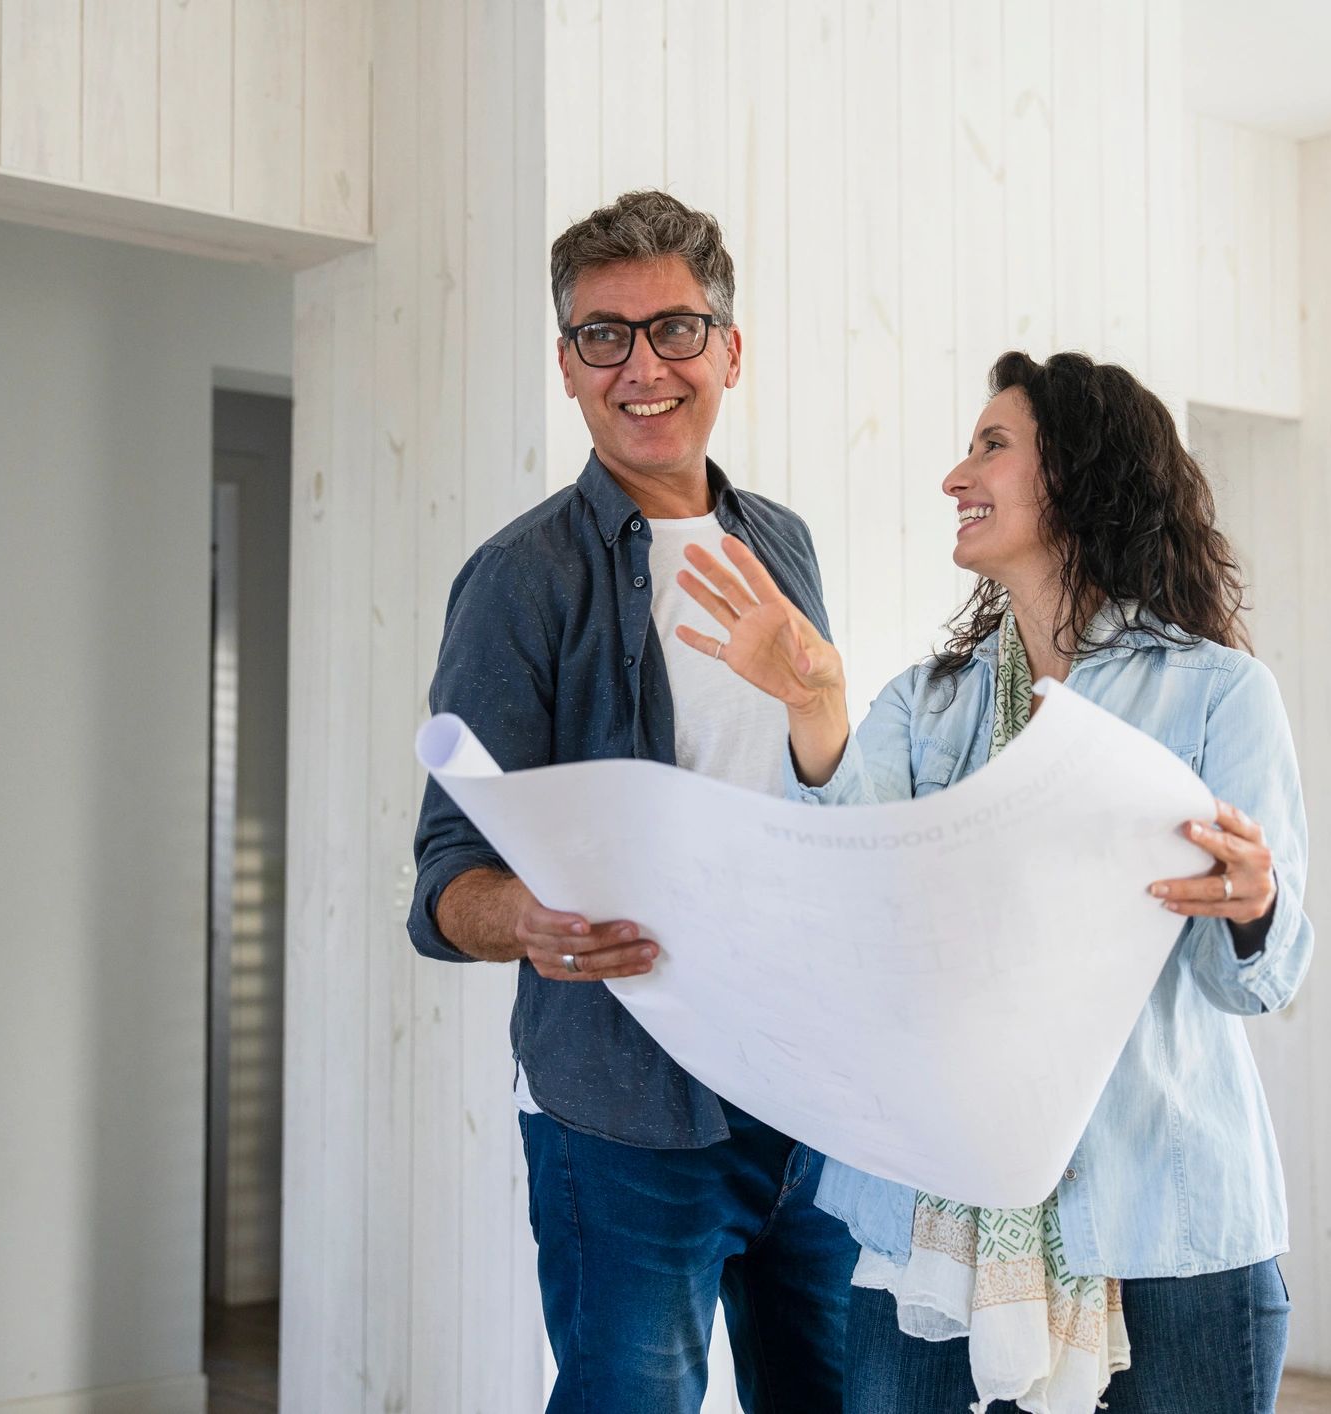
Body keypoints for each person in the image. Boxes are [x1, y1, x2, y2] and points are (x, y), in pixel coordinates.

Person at [675, 350, 1313, 1414]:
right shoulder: (926, 704)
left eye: (992, 445)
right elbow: (846, 901)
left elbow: (1255, 981)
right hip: (930, 1221)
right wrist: (814, 708)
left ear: (1079, 472)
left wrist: (1255, 908)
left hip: (1169, 1219)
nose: (955, 475)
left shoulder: (1220, 692)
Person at [407, 189, 856, 1414]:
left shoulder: (784, 548)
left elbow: (825, 794)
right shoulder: (519, 580)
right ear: (567, 365)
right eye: (604, 336)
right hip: (624, 1111)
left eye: (676, 329)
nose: (643, 366)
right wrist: (527, 920)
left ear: (730, 351)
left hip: (807, 1089)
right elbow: (446, 874)